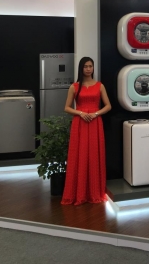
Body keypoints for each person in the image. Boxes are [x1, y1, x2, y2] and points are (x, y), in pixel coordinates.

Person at [61, 57, 112, 205]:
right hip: (80, 123)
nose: (88, 69)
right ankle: (79, 193)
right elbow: (67, 108)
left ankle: (94, 192)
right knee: (80, 155)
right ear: (81, 68)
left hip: (95, 123)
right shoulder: (74, 86)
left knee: (94, 155)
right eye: (85, 66)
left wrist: (95, 114)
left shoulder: (100, 86)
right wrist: (81, 113)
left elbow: (108, 106)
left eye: (90, 66)